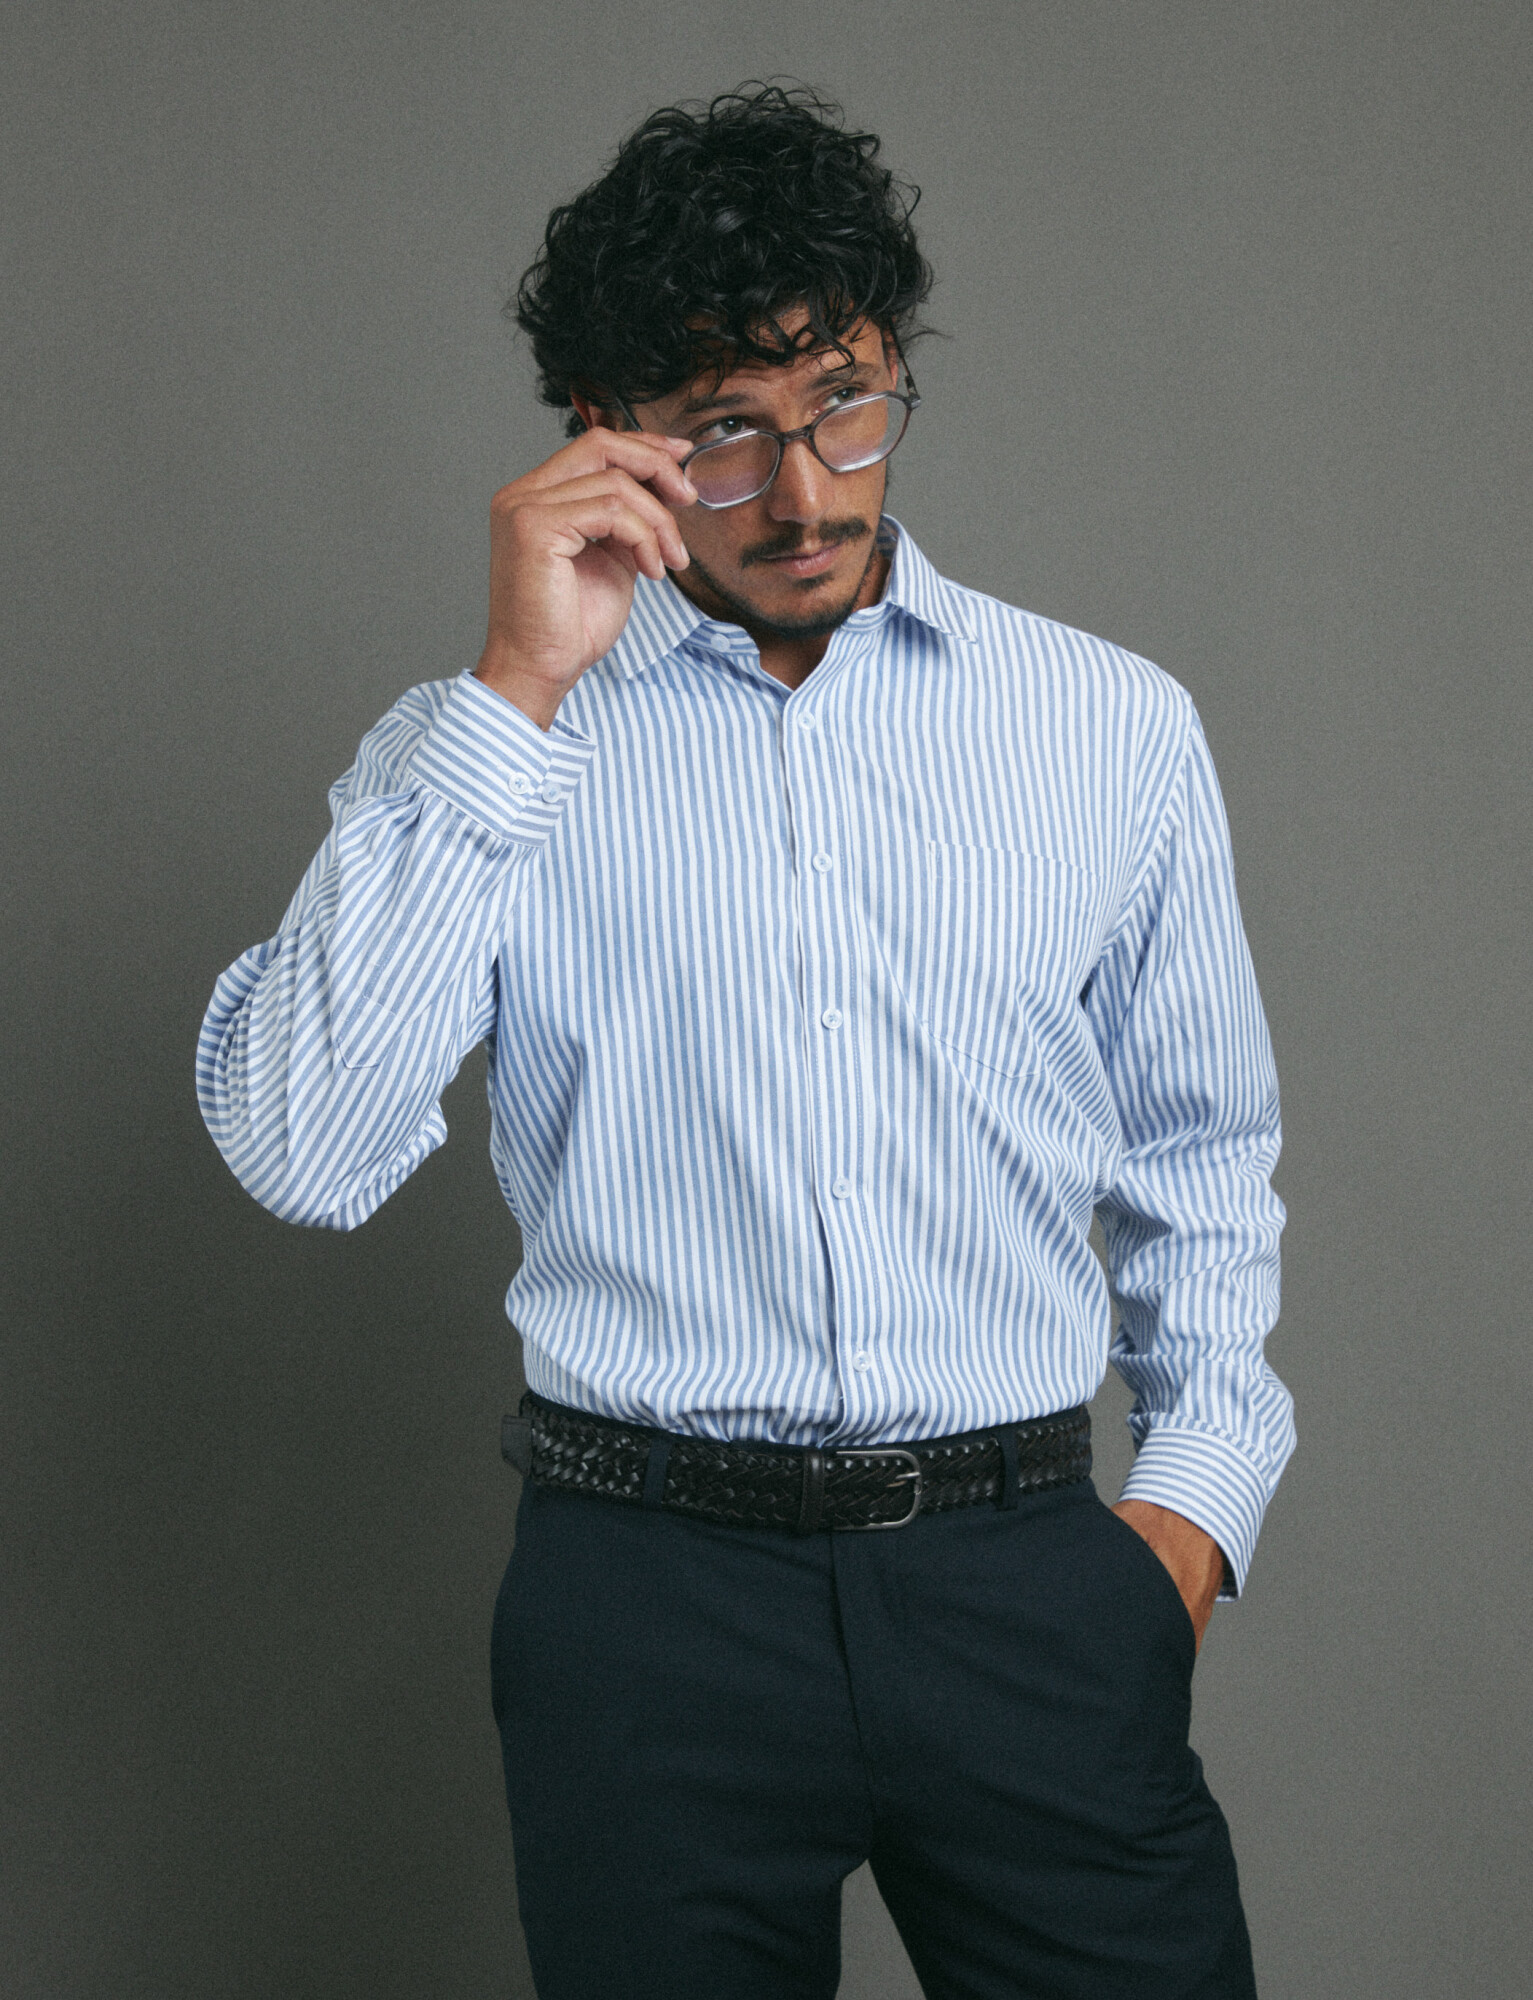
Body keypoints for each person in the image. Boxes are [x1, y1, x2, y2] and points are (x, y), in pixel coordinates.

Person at [198, 83, 1292, 2000]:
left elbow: (1200, 1157)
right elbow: (302, 1151)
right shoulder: (483, 753)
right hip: (648, 1608)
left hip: (1025, 1588)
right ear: (602, 434)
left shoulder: (1107, 726)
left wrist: (1185, 1519)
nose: (805, 493)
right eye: (723, 429)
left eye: (845, 403)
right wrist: (519, 688)